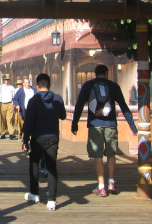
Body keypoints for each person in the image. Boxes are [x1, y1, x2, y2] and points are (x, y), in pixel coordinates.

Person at [71, 64, 138, 197]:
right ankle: (111, 182)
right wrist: (132, 126)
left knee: (97, 155)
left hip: (95, 125)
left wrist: (75, 124)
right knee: (111, 154)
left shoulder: (88, 85)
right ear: (106, 73)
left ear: (96, 73)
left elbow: (79, 105)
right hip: (111, 124)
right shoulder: (113, 86)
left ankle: (101, 187)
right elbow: (124, 106)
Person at [22, 73, 66, 211]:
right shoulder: (57, 98)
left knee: (34, 164)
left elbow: (28, 122)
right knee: (52, 167)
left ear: (36, 85)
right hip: (53, 137)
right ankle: (52, 200)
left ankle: (34, 193)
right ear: (49, 84)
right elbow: (63, 116)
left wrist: (25, 139)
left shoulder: (34, 100)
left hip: (37, 138)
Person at [0, 74, 16, 139]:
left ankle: (11, 133)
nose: (7, 81)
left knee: (9, 119)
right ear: (4, 80)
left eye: (8, 80)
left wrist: (13, 104)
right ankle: (3, 132)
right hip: (2, 104)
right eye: (6, 80)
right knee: (3, 119)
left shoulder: (12, 88)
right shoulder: (0, 87)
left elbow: (14, 97)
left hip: (9, 104)